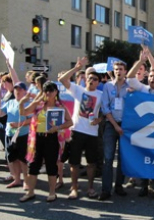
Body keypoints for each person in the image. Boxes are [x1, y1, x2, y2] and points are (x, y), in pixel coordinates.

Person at [18, 82, 73, 203]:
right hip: (37, 138)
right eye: (46, 90)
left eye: (51, 90)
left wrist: (58, 127)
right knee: (33, 165)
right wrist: (22, 101)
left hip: (52, 138)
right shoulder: (39, 104)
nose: (48, 93)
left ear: (56, 92)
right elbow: (23, 112)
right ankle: (30, 192)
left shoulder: (60, 106)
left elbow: (70, 122)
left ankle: (52, 193)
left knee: (51, 165)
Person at [127, 49, 154, 200]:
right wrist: (140, 61)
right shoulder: (142, 89)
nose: (152, 78)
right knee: (143, 159)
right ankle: (144, 186)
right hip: (143, 132)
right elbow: (130, 77)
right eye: (150, 76)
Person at [59, 57, 103, 200]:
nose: (92, 80)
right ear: (85, 79)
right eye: (89, 78)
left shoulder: (101, 95)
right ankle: (74, 188)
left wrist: (99, 119)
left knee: (91, 163)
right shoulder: (78, 90)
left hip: (92, 133)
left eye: (95, 79)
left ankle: (90, 188)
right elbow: (62, 80)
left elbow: (108, 112)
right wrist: (77, 68)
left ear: (99, 82)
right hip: (77, 130)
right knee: (74, 162)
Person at [99, 61, 129, 200]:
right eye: (116, 69)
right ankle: (106, 189)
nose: (118, 71)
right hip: (111, 125)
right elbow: (105, 108)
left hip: (126, 125)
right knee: (108, 158)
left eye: (121, 69)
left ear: (125, 71)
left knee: (123, 158)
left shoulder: (130, 87)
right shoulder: (107, 86)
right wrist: (115, 126)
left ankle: (119, 186)